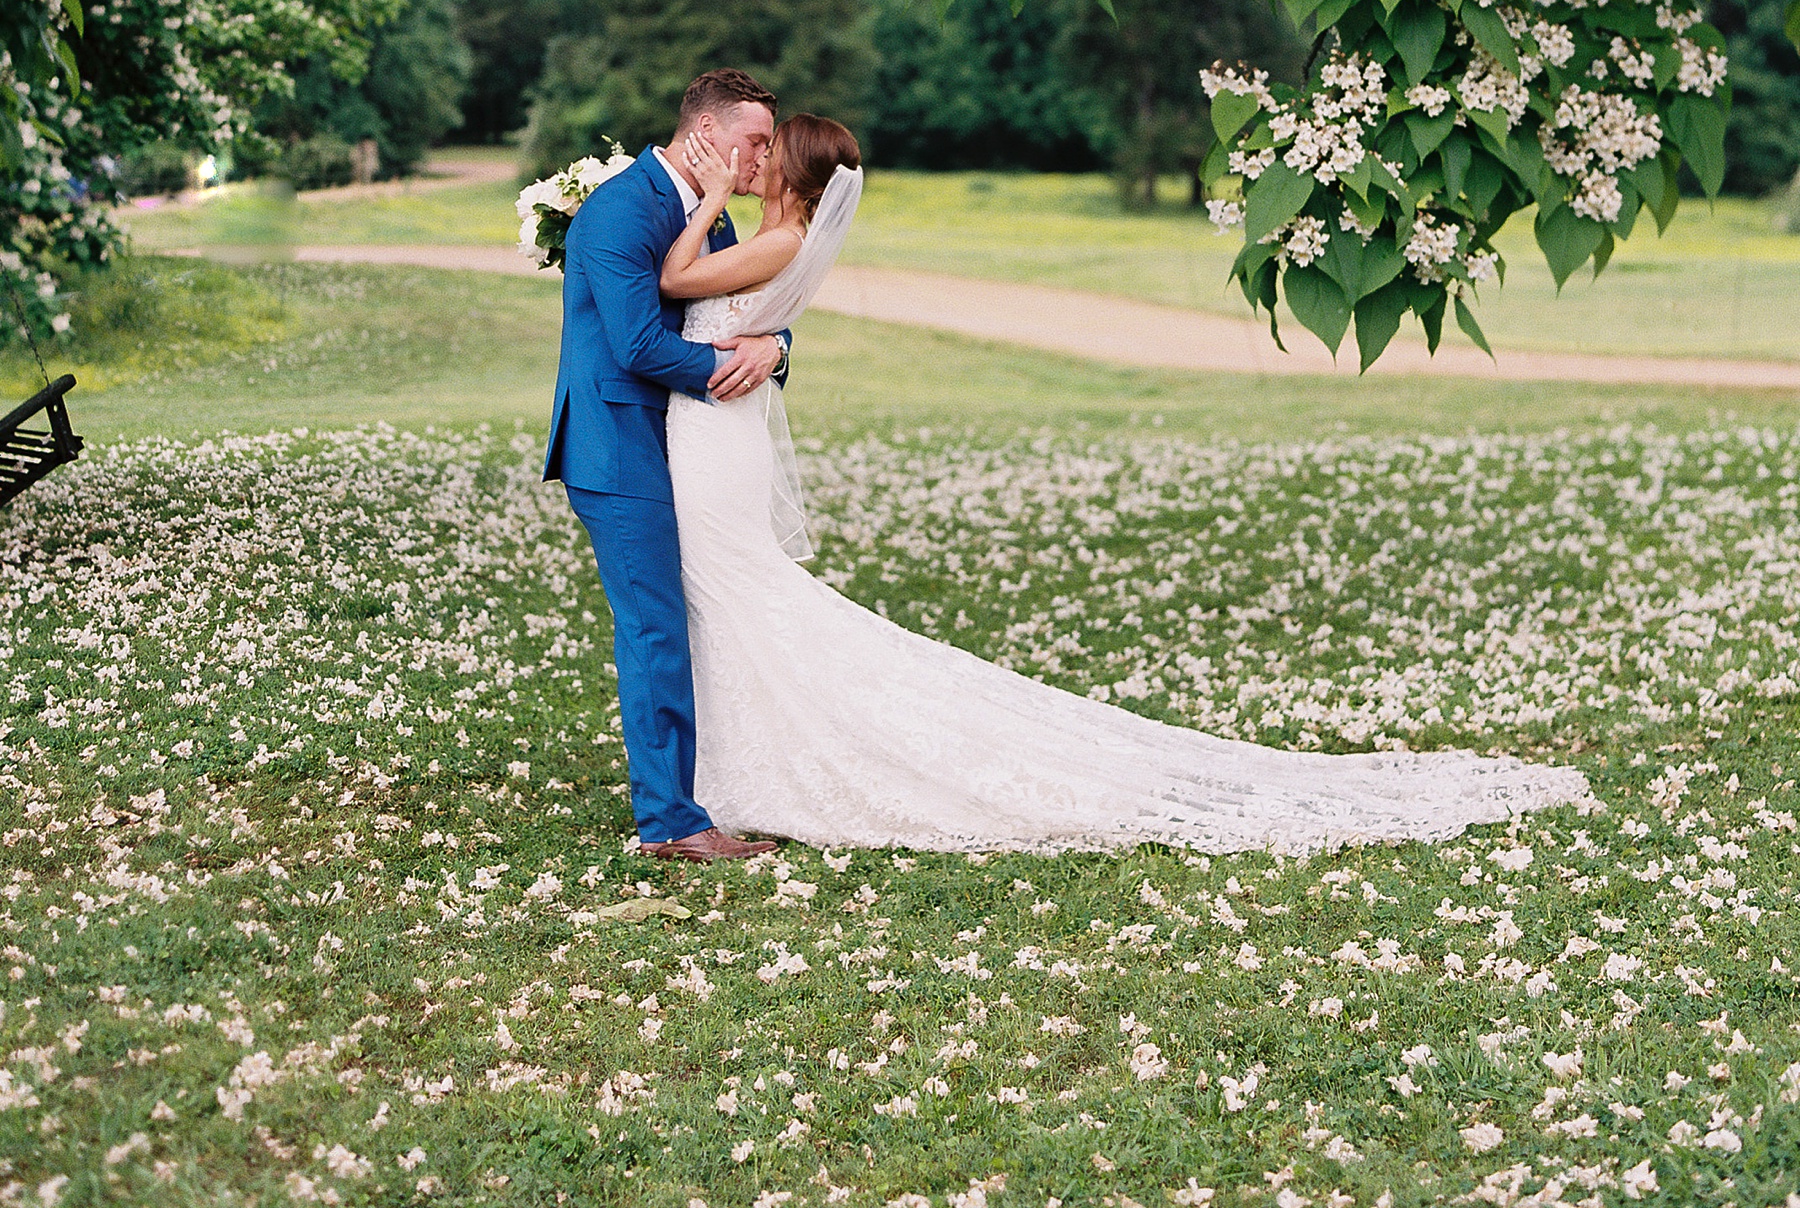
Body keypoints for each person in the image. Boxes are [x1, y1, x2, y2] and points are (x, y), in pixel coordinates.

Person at [657, 115, 1593, 854]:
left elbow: (676, 276)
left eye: (767, 152)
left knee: (739, 586)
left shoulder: (773, 241)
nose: (755, 160)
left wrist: (699, 199)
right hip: (713, 430)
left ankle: (765, 762)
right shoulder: (778, 238)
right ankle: (743, 759)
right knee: (735, 593)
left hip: (716, 437)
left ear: (795, 174)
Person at [545, 69, 788, 862]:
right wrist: (734, 368)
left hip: (685, 444)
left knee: (704, 616)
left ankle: (709, 789)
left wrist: (773, 349)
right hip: (616, 445)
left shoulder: (707, 222)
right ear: (708, 136)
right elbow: (639, 347)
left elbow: (739, 313)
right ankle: (671, 823)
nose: (764, 157)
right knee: (654, 628)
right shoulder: (617, 213)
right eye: (755, 141)